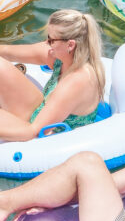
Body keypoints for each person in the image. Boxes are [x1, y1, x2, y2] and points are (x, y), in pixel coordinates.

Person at [0, 9, 104, 142]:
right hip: (39, 113)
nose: (46, 43)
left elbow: (34, 132)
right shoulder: (61, 58)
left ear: (70, 45)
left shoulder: (77, 81)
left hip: (50, 136)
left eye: (51, 40)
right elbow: (7, 52)